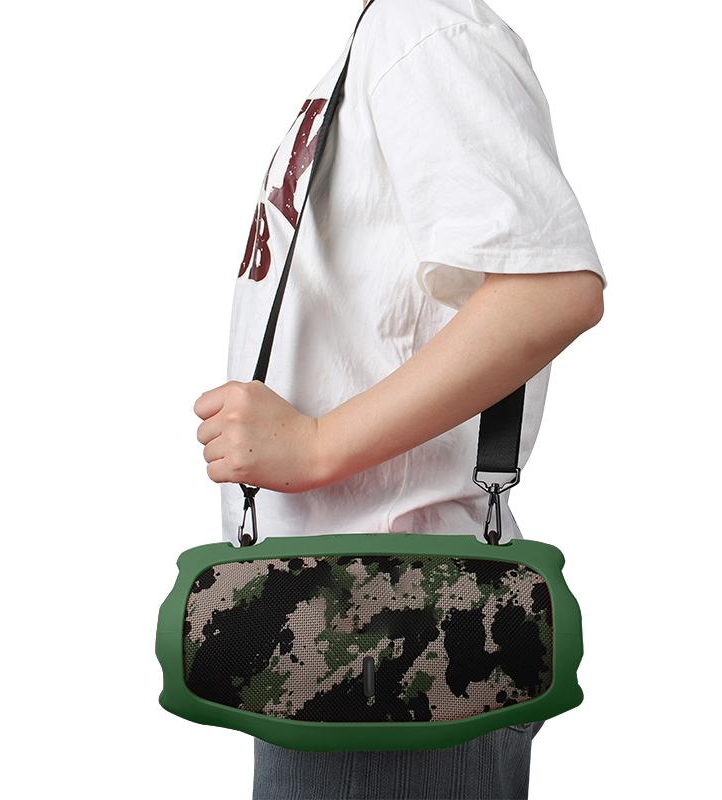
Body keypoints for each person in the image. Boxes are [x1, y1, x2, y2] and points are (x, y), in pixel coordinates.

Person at [193, 0, 606, 797]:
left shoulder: (421, 28)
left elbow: (551, 290)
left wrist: (315, 446)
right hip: (327, 632)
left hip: (391, 649)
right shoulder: (389, 36)